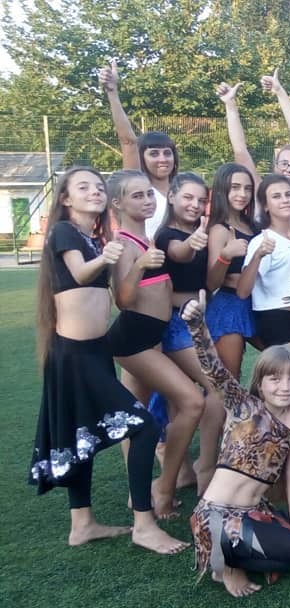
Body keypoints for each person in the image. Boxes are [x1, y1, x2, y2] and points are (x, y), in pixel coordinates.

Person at [28, 167, 187, 555]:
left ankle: (82, 525)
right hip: (72, 354)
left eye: (98, 186)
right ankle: (144, 524)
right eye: (83, 187)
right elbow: (80, 273)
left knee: (81, 433)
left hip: (95, 351)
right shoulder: (64, 231)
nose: (94, 192)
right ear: (66, 198)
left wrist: (109, 255)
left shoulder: (94, 238)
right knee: (144, 427)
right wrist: (105, 258)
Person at [182, 292, 290, 597]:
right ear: (260, 384)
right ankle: (226, 565)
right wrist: (198, 326)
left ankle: (240, 554)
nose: (285, 387)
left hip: (252, 511)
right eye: (275, 379)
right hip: (217, 517)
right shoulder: (243, 407)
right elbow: (214, 370)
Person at [106, 170, 204, 519]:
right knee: (192, 402)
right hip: (135, 339)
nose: (147, 200)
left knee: (134, 416)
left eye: (149, 194)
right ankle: (163, 488)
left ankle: (139, 495)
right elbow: (123, 300)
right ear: (117, 203)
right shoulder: (123, 245)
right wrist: (139, 266)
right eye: (137, 196)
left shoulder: (145, 238)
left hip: (153, 336)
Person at [154, 172, 227, 495]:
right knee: (217, 388)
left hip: (198, 319)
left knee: (181, 401)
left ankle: (181, 472)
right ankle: (204, 466)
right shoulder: (167, 235)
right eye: (188, 197)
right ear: (171, 196)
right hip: (175, 323)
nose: (195, 205)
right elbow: (177, 252)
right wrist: (191, 244)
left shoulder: (203, 231)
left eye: (201, 200)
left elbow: (209, 280)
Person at [237, 175, 290, 351]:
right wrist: (258, 256)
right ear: (265, 205)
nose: (285, 200)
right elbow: (242, 291)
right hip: (277, 319)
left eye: (289, 194)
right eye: (276, 196)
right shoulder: (263, 240)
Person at [99, 62, 177, 236]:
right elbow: (128, 142)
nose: (163, 159)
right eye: (154, 154)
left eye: (167, 153)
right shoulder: (137, 185)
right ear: (142, 157)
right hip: (143, 253)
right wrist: (112, 92)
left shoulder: (182, 190)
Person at [205, 163, 257, 377]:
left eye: (247, 188)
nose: (242, 194)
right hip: (230, 308)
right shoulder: (219, 229)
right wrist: (226, 256)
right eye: (235, 187)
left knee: (282, 357)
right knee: (229, 380)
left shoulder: (253, 226)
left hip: (257, 303)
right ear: (221, 190)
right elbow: (212, 283)